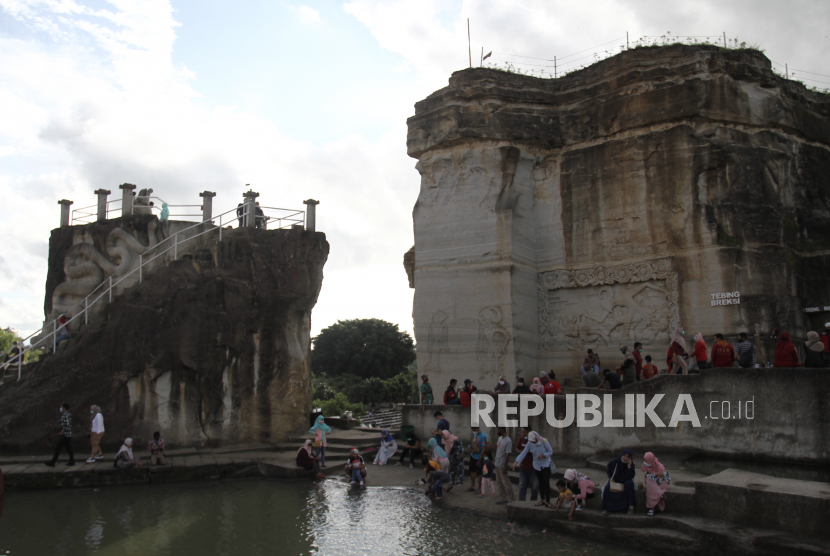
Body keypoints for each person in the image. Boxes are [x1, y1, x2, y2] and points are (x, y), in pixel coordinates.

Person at [512, 431, 554, 508]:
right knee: (540, 482)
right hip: (537, 465)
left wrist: (543, 455)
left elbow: (550, 451)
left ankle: (547, 501)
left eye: (533, 440)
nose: (532, 442)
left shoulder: (543, 441)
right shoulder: (530, 443)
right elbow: (524, 453)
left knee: (546, 482)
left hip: (545, 464)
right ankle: (542, 499)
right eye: (531, 440)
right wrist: (516, 462)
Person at [601, 448, 636, 515]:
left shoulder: (631, 465)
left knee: (630, 484)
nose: (625, 458)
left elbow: (629, 477)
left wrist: (629, 467)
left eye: (627, 457)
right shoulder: (616, 462)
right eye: (624, 455)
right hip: (615, 480)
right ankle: (606, 508)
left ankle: (631, 507)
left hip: (625, 481)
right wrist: (611, 478)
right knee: (607, 487)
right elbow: (609, 470)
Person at [642, 451, 670, 516]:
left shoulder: (659, 466)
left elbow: (661, 475)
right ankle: (656, 500)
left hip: (662, 480)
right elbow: (646, 473)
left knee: (651, 483)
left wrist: (652, 475)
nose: (645, 462)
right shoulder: (645, 464)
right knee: (649, 482)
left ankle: (652, 507)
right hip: (651, 481)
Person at [515, 427, 539, 502]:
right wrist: (520, 452)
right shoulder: (521, 439)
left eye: (524, 432)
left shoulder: (534, 441)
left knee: (535, 486)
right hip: (523, 467)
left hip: (533, 468)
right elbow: (517, 448)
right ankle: (521, 501)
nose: (523, 434)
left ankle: (533, 501)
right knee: (522, 485)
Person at [494, 427, 515, 505]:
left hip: (502, 465)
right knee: (499, 482)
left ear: (502, 430)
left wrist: (505, 467)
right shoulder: (500, 438)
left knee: (506, 483)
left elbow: (507, 455)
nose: (497, 431)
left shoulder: (508, 441)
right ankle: (503, 498)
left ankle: (512, 499)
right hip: (497, 463)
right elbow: (497, 448)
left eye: (498, 430)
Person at [467, 425, 488, 492]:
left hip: (479, 457)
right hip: (473, 456)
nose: (473, 431)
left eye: (473, 430)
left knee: (479, 473)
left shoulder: (483, 436)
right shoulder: (476, 435)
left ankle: (479, 488)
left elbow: (484, 449)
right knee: (472, 471)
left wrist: (480, 460)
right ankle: (472, 485)